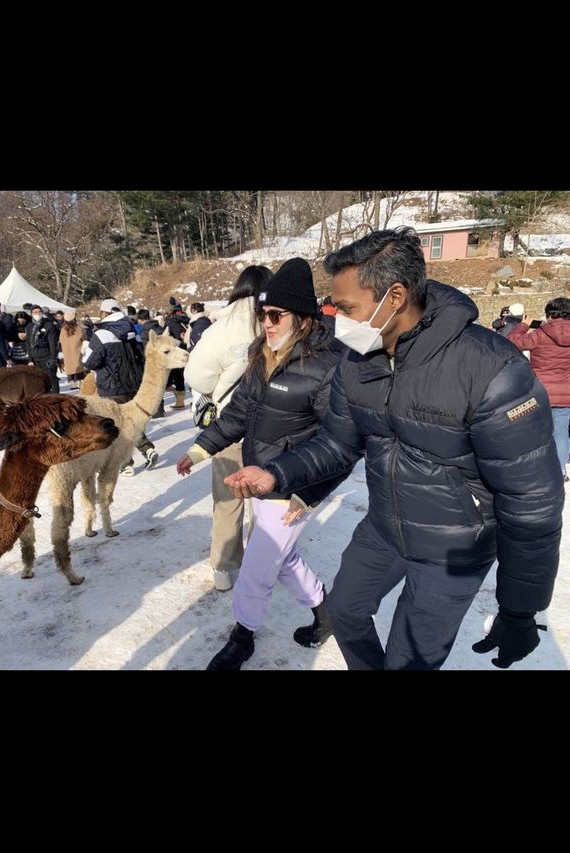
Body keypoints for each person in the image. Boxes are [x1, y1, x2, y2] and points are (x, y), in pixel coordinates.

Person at [224, 228, 564, 671]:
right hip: (384, 528)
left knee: (409, 660)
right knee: (344, 612)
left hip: (454, 546)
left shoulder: (490, 370)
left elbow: (533, 501)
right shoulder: (357, 359)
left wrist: (520, 609)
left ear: (395, 297)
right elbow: (337, 440)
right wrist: (277, 473)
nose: (335, 318)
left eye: (345, 308)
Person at [177, 257, 346, 670]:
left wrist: (307, 496)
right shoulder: (262, 352)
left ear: (303, 317)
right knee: (281, 558)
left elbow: (340, 444)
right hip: (257, 477)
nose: (266, 323)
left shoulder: (326, 366)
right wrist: (201, 448)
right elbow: (238, 412)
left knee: (258, 563)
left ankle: (242, 635)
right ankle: (326, 612)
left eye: (275, 315)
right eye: (262, 314)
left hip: (293, 486)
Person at [183, 265, 272, 591]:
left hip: (229, 426)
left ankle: (223, 566)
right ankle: (261, 564)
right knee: (264, 501)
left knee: (227, 498)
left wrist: (218, 389)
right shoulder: (277, 319)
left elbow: (196, 377)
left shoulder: (220, 328)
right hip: (272, 426)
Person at [83, 297, 158, 473]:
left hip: (111, 388)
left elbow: (90, 362)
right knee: (130, 421)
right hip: (132, 385)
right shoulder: (133, 330)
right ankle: (147, 449)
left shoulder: (101, 334)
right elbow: (141, 355)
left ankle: (125, 464)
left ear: (104, 313)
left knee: (116, 426)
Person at [506, 297, 570, 482]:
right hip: (566, 393)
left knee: (536, 431)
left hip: (541, 391)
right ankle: (560, 471)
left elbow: (511, 341)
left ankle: (534, 468)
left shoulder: (540, 334)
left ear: (549, 314)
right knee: (561, 432)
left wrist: (523, 325)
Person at [27, 304, 60, 392]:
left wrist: (53, 358)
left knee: (51, 379)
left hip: (46, 356)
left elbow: (53, 343)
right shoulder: (30, 327)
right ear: (31, 314)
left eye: (39, 312)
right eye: (35, 312)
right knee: (38, 381)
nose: (37, 314)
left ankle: (56, 398)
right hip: (35, 358)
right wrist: (30, 359)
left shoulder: (48, 325)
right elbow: (28, 343)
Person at [60, 310, 86, 388]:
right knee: (78, 368)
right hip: (78, 353)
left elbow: (60, 341)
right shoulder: (78, 328)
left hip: (67, 355)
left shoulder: (63, 330)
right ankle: (79, 382)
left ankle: (71, 381)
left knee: (70, 368)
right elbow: (84, 339)